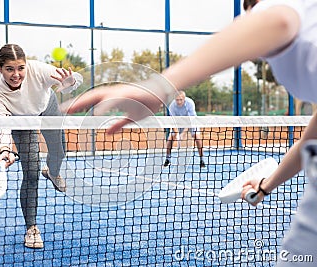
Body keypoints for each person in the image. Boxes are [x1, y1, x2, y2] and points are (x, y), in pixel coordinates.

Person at [62, 0, 317, 264]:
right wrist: (267, 184)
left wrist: (157, 86)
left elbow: (278, 21)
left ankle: (201, 155)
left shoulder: (281, 10)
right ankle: (171, 155)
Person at [0, 44, 83, 249]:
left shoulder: (38, 70)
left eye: (20, 68)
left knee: (59, 151)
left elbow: (74, 81)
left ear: (26, 65)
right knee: (31, 172)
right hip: (20, 121)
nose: (16, 74)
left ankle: (53, 173)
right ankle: (31, 229)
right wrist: (5, 149)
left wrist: (70, 81)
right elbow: (0, 124)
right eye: (10, 69)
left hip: (46, 107)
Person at [163, 91, 205, 168]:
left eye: (181, 99)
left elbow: (190, 120)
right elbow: (172, 121)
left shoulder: (190, 103)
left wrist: (183, 133)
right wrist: (176, 133)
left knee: (197, 137)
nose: (179, 101)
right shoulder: (172, 106)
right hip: (178, 123)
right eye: (177, 99)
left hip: (191, 122)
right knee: (170, 138)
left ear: (184, 99)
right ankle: (168, 158)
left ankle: (202, 159)